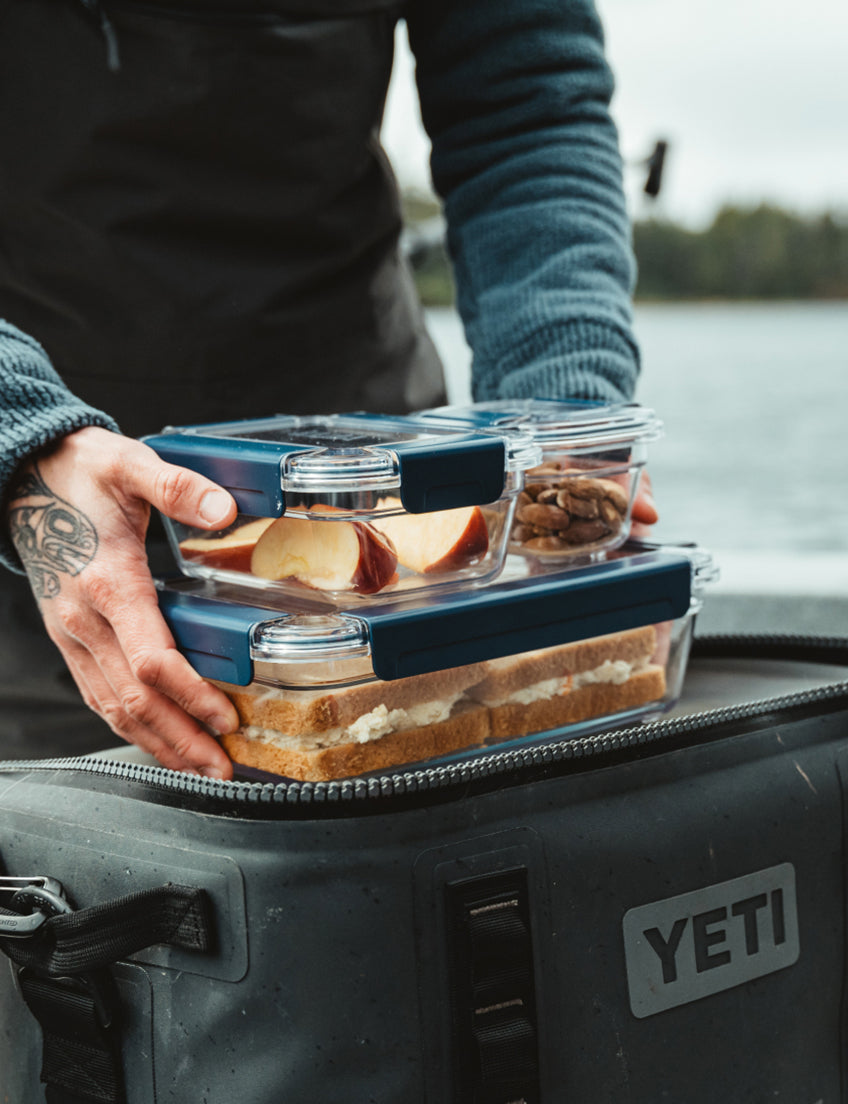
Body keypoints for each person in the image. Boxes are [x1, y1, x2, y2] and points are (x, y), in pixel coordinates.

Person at [0, 0, 657, 778]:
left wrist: (562, 414)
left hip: (376, 449)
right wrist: (26, 431)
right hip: (48, 481)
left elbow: (526, 108)